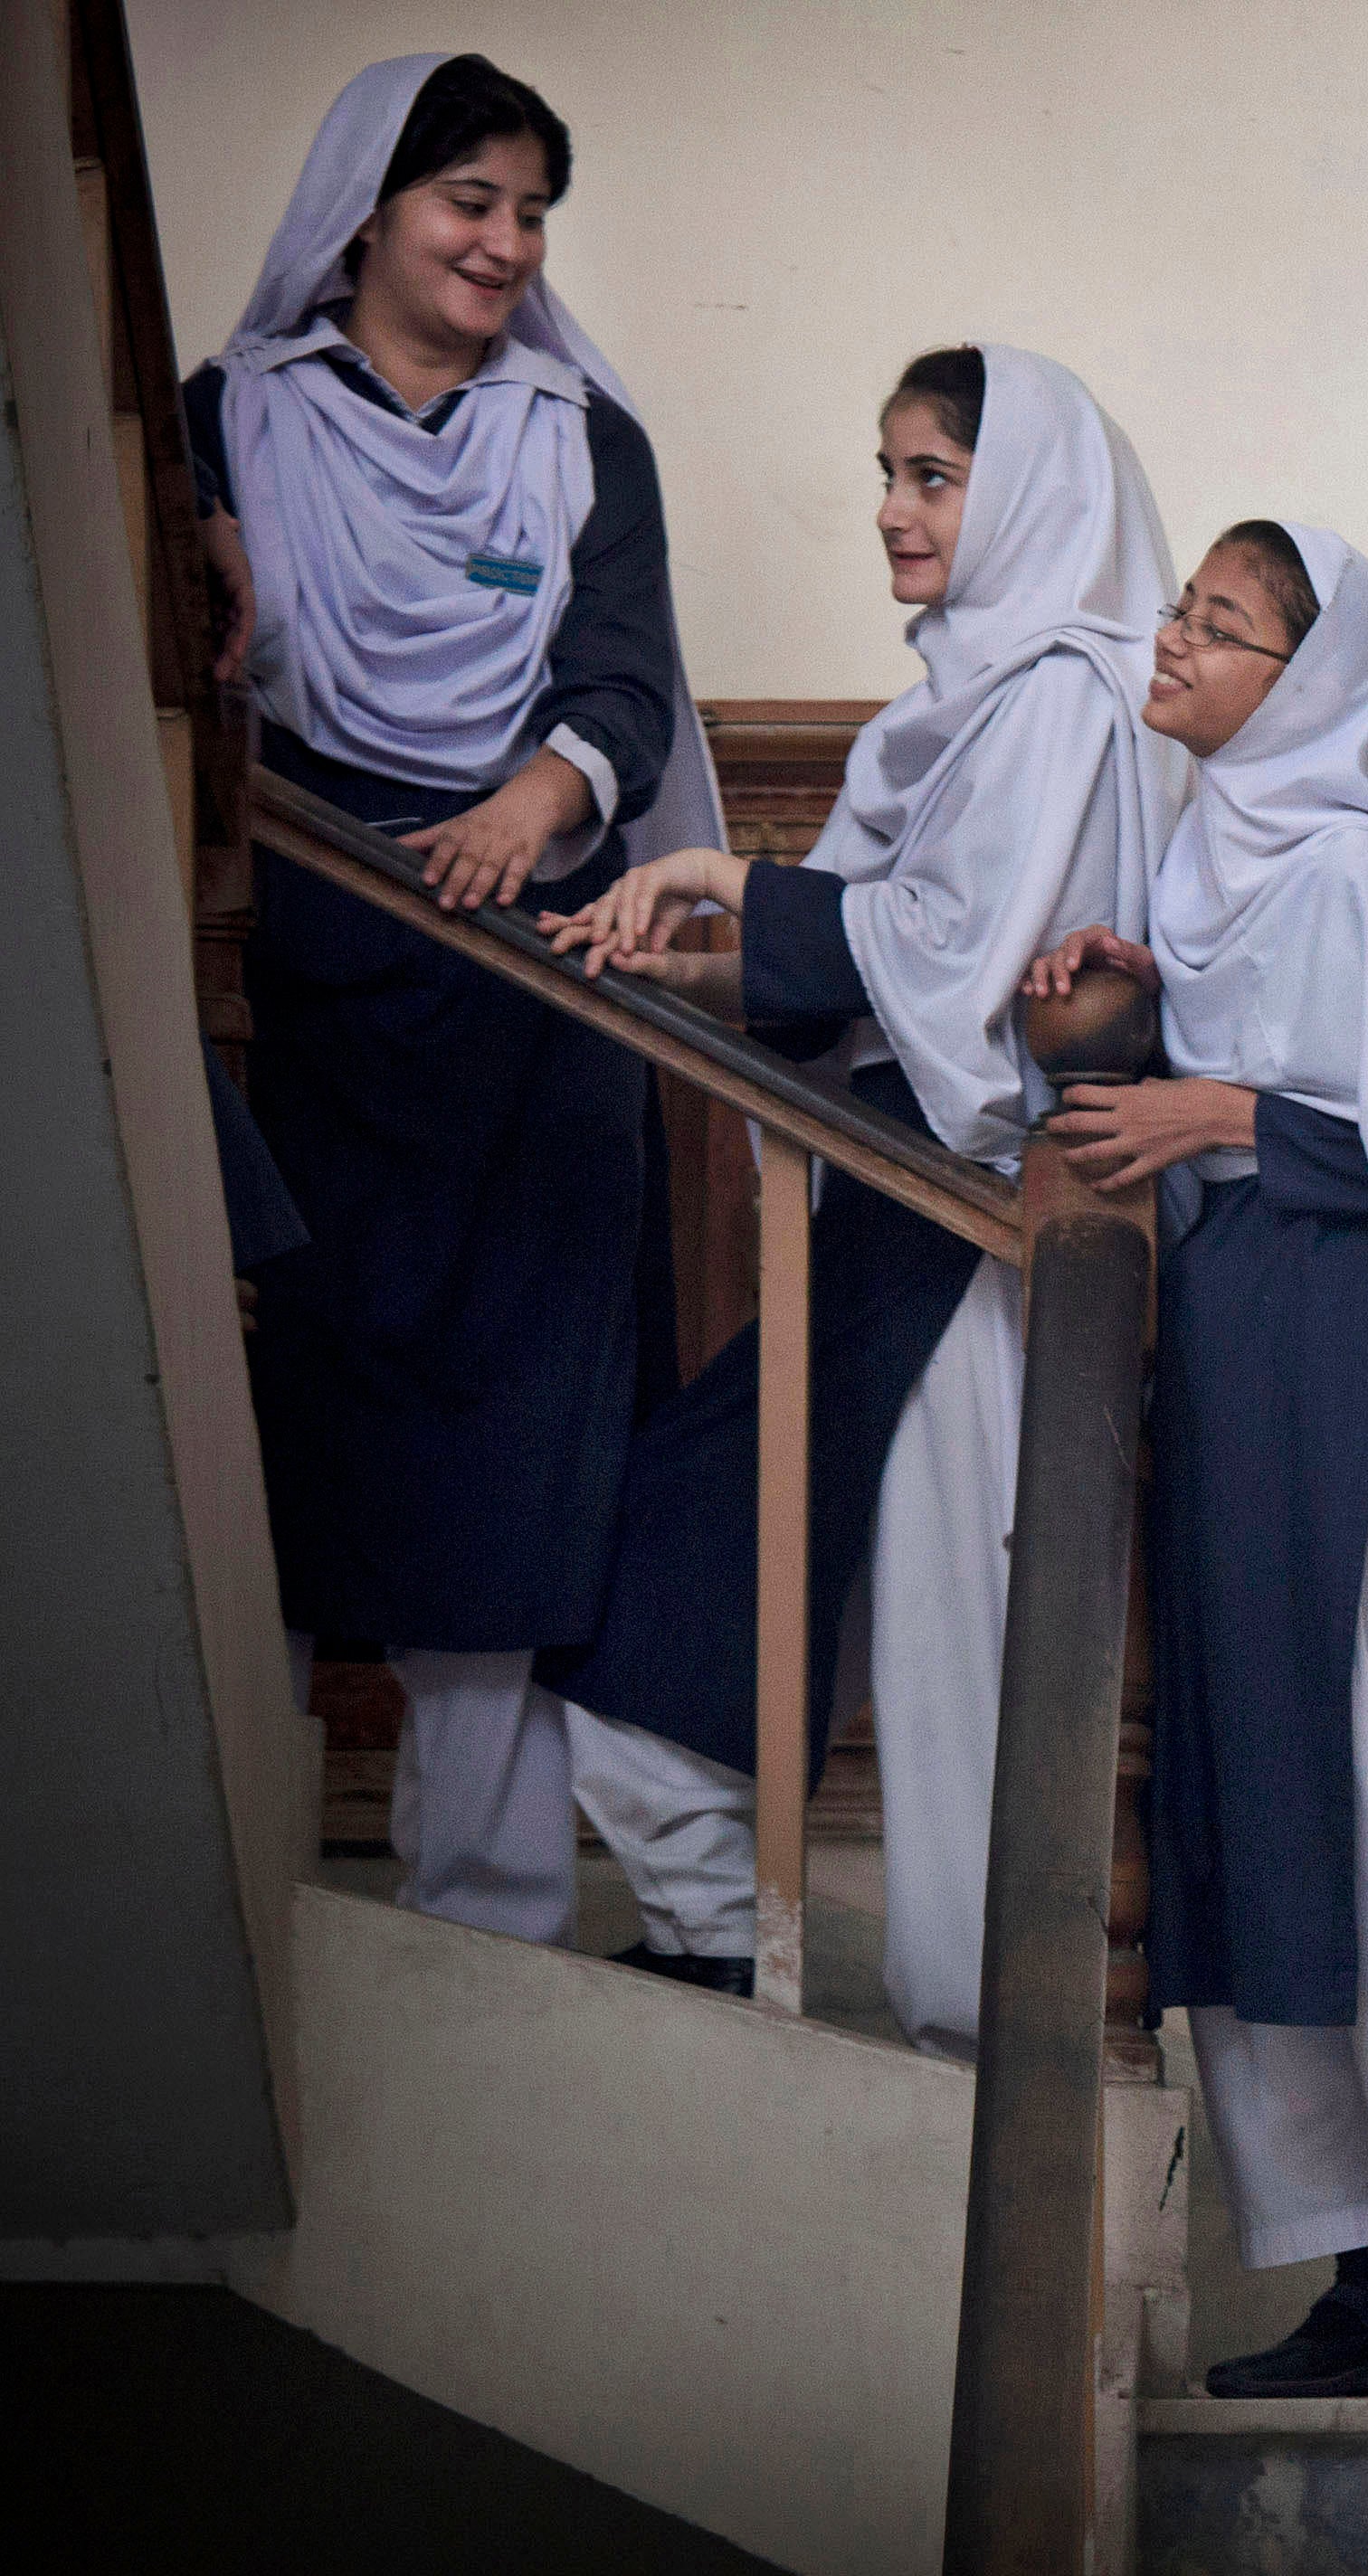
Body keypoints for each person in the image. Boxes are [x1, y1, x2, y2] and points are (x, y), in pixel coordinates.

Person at [540, 347, 1186, 2055]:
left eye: (934, 477)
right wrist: (696, 935)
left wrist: (725, 880)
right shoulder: (967, 698)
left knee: (963, 1636)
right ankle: (732, 1942)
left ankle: (991, 2040)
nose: (894, 513)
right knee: (747, 1556)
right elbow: (874, 940)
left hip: (984, 1230)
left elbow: (965, 968)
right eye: (887, 472)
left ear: (1024, 496)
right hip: (909, 1207)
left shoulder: (1062, 693)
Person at [1024, 520, 1368, 2400]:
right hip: (1235, 1352)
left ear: (1304, 683)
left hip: (1342, 1374)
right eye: (1183, 606)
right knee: (1254, 1799)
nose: (1174, 637)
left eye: (1222, 625)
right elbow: (1207, 1074)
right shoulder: (1207, 854)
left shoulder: (1353, 866)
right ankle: (1355, 2273)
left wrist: (1222, 1101)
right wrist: (1135, 997)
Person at [187, 53, 716, 1947]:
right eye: (466, 201)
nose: (503, 242)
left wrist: (536, 796)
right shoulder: (225, 423)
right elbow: (176, 654)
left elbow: (628, 681)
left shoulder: (585, 439)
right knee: (285, 1436)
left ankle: (484, 1919)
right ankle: (239, 1905)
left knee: (512, 1457)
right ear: (367, 210)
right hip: (309, 1002)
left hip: (533, 1000)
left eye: (528, 210)